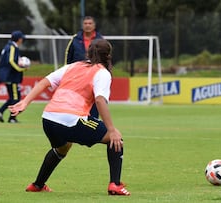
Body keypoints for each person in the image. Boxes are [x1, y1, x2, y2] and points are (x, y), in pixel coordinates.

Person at [9, 39, 130, 195]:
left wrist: (25, 102)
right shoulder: (102, 73)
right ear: (108, 55)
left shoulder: (73, 66)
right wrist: (112, 130)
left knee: (62, 148)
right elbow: (100, 100)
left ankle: (37, 185)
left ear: (89, 52)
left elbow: (44, 82)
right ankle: (115, 184)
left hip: (48, 118)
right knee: (115, 139)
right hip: (71, 119)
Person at [65, 16, 104, 118]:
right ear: (82, 25)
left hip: (95, 76)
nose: (87, 25)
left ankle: (93, 121)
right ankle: (77, 122)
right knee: (76, 101)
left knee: (95, 100)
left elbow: (105, 57)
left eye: (90, 23)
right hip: (78, 76)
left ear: (94, 25)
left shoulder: (100, 40)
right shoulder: (75, 39)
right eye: (85, 23)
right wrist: (67, 74)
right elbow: (68, 57)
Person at [0, 30, 28, 123]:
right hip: (12, 77)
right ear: (19, 39)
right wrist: (21, 69)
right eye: (21, 39)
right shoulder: (12, 47)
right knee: (16, 98)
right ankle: (12, 118)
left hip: (8, 76)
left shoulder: (8, 46)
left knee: (13, 97)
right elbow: (11, 61)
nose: (22, 40)